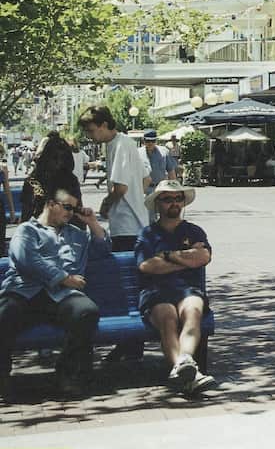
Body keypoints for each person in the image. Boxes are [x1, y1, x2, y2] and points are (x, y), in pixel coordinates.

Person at [0, 187, 111, 397]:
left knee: (86, 311)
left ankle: (67, 374)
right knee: (3, 314)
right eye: (67, 207)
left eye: (74, 209)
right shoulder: (26, 230)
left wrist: (92, 223)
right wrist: (64, 278)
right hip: (26, 291)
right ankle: (2, 375)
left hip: (62, 297)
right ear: (51, 204)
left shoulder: (77, 235)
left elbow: (103, 249)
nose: (70, 213)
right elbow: (27, 260)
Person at [135, 179, 215, 396]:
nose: (174, 203)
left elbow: (203, 257)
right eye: (168, 199)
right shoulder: (147, 234)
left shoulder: (194, 231)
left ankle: (184, 363)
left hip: (188, 290)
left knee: (193, 310)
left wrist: (168, 256)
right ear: (158, 204)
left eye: (178, 198)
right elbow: (147, 266)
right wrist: (185, 259)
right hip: (155, 292)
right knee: (168, 317)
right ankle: (189, 371)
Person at [78, 106, 151, 252]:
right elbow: (146, 179)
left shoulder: (120, 145)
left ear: (104, 125)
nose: (89, 136)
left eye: (91, 130)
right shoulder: (122, 143)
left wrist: (106, 204)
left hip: (126, 225)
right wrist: (135, 198)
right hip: (136, 223)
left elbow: (120, 188)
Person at [20, 132, 82, 223]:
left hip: (66, 230)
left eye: (61, 158)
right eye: (55, 158)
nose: (58, 163)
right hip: (39, 229)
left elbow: (77, 210)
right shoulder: (33, 181)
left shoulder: (71, 180)